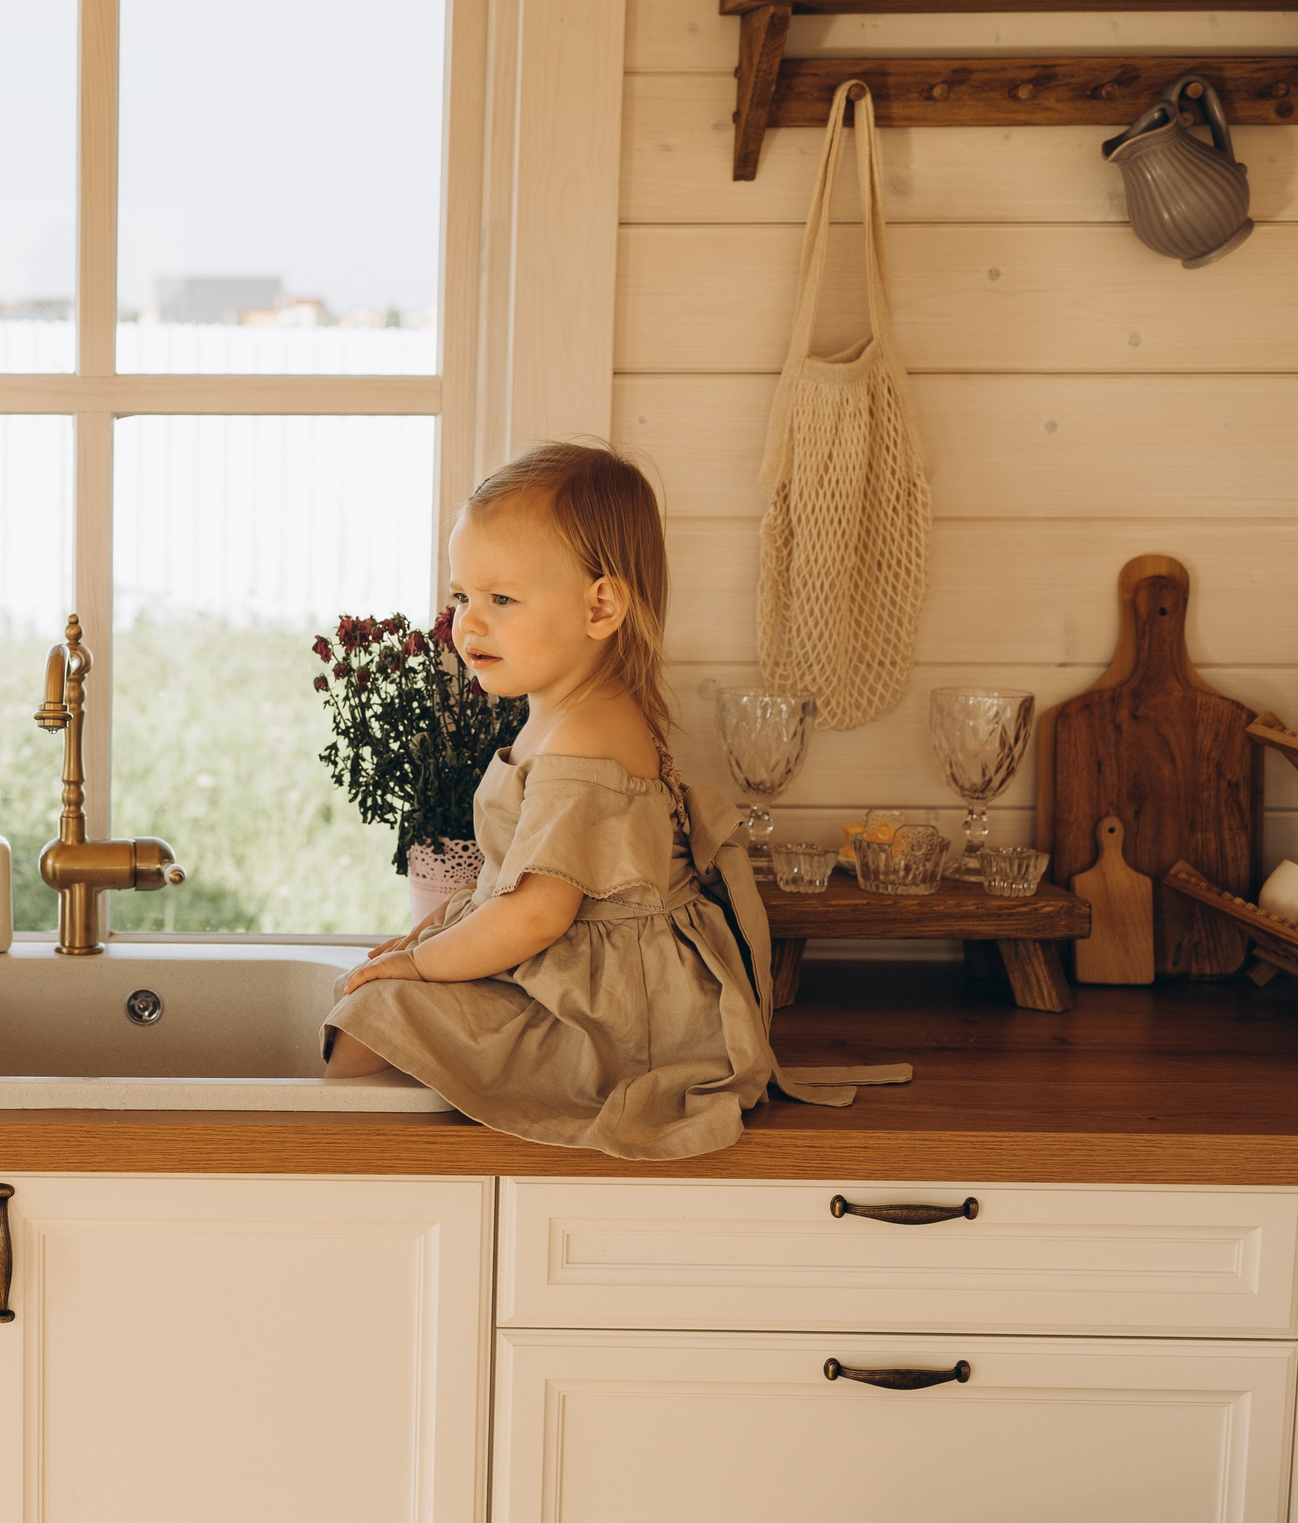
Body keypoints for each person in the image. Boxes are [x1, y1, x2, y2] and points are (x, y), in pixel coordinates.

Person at [322, 441, 899, 1157]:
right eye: (462, 596)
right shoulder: (567, 710)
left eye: (502, 599)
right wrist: (428, 942)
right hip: (576, 969)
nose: (468, 624)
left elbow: (537, 913)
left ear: (600, 606)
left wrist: (419, 964)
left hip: (617, 1015)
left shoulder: (584, 738)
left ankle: (368, 1167)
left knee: (371, 1020)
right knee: (374, 999)